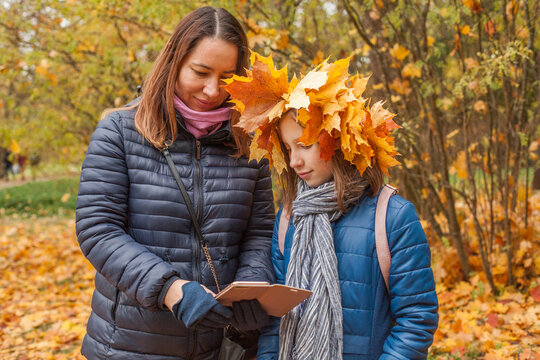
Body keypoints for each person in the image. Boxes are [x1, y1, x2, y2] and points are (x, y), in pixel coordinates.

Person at [76, 7, 274, 359]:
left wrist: (251, 285)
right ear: (174, 62)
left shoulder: (250, 144)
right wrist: (171, 290)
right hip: (130, 344)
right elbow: (98, 229)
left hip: (216, 344)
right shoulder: (120, 131)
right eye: (200, 72)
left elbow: (259, 232)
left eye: (226, 77)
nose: (213, 90)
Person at [225, 53, 439, 359]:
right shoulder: (289, 219)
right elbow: (276, 319)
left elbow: (416, 320)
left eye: (305, 144)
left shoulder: (392, 217)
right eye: (287, 148)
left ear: (336, 139)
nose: (294, 160)